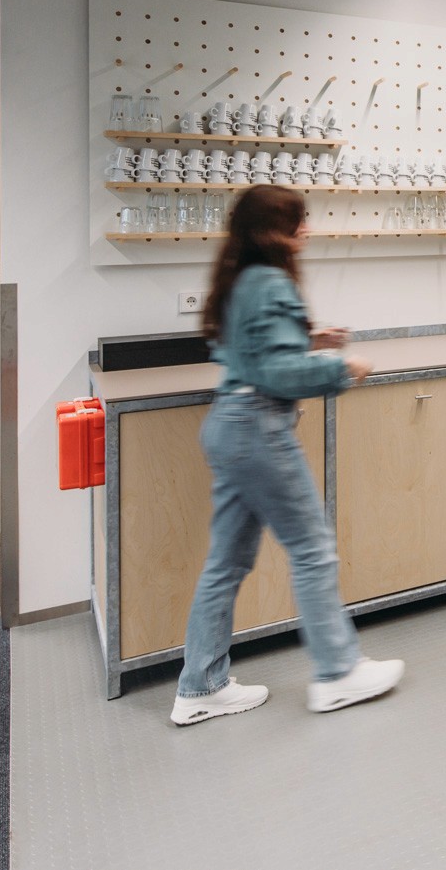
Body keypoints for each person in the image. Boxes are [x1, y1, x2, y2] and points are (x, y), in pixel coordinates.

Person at [170, 185, 403, 725]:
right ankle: (338, 673)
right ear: (277, 231)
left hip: (229, 424)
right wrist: (342, 367)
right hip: (257, 428)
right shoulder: (271, 281)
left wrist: (310, 341)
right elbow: (273, 373)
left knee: (226, 563)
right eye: (300, 222)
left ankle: (200, 686)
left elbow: (247, 353)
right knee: (313, 548)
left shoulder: (241, 279)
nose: (307, 232)